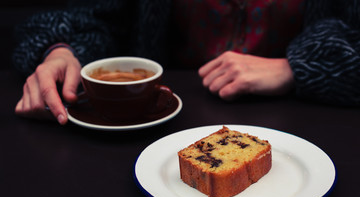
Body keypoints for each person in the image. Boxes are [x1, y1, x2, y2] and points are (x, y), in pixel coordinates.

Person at [12, 0, 360, 125]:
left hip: (310, 125)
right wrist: (59, 49)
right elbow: (93, 16)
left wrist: (295, 66)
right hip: (151, 130)